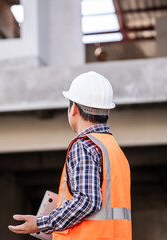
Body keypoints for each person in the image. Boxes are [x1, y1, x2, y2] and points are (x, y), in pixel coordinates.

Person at [8, 71, 132, 240]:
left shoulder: (85, 145)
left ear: (73, 108)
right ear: (108, 111)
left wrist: (41, 223)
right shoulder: (114, 150)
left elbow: (87, 201)